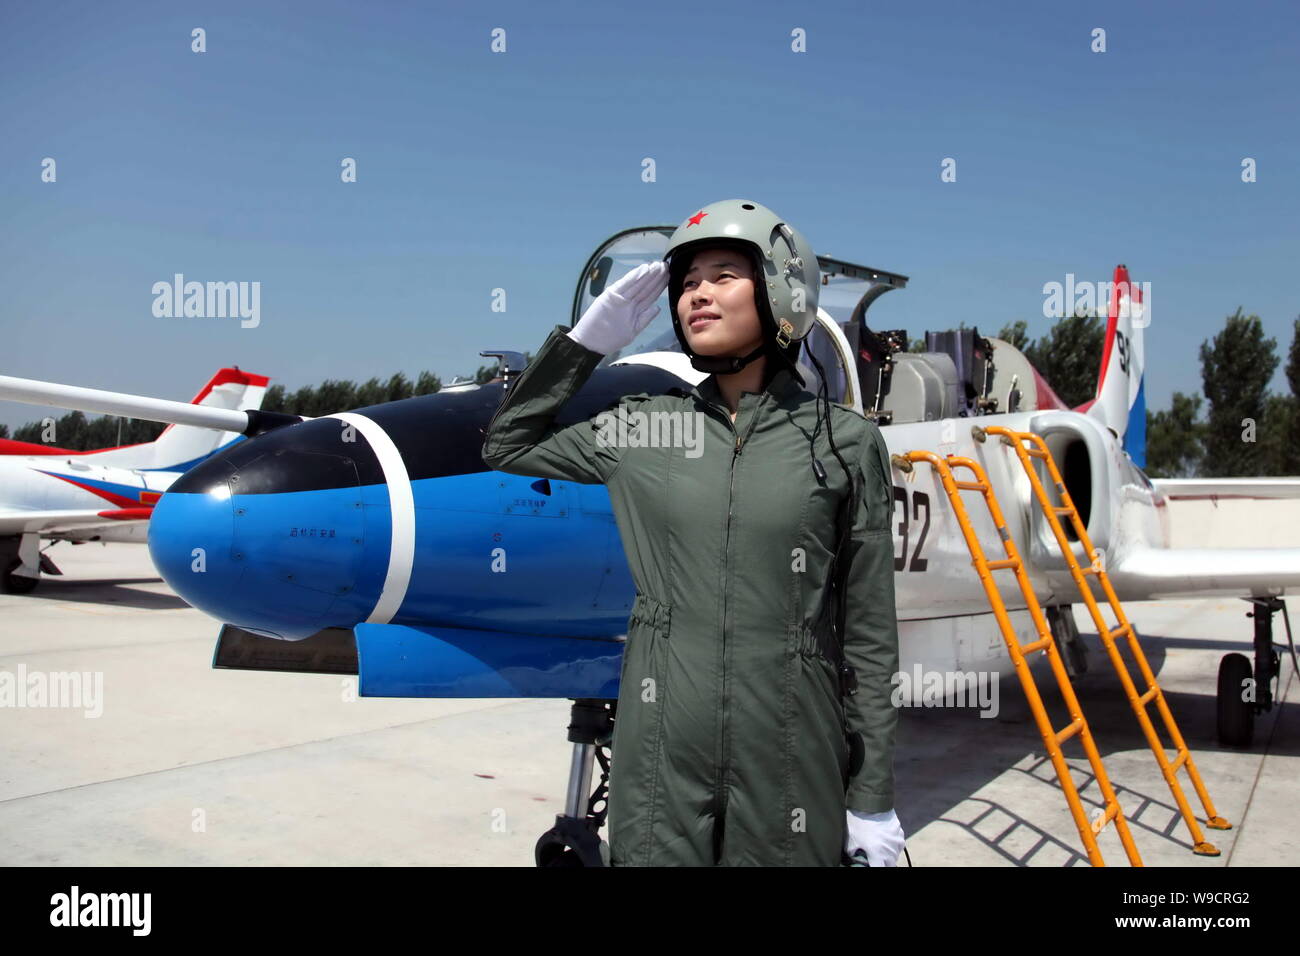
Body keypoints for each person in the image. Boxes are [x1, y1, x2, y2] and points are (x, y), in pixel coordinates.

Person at [482, 199, 905, 866]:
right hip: (659, 762)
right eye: (686, 282)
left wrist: (872, 795)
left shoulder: (844, 442)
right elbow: (506, 443)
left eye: (723, 275)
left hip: (792, 756)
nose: (696, 294)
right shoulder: (645, 428)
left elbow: (870, 638)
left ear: (780, 292)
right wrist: (584, 344)